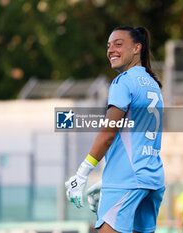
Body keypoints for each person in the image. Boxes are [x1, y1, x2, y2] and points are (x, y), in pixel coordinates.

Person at [65, 26, 165, 233]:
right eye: (109, 45)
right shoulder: (153, 84)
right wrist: (107, 179)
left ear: (137, 48)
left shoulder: (123, 81)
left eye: (118, 44)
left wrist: (82, 173)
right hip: (152, 179)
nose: (111, 50)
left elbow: (108, 134)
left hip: (126, 179)